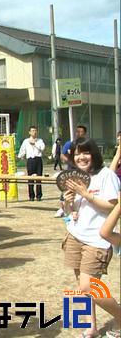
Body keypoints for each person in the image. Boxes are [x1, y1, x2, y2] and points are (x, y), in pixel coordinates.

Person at [63, 138, 120, 338]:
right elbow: (71, 211)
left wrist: (85, 194)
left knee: (89, 286)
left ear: (94, 154)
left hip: (97, 240)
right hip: (76, 235)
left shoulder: (106, 176)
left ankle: (120, 317)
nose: (81, 157)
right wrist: (67, 203)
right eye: (77, 153)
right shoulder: (75, 177)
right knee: (83, 288)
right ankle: (92, 328)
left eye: (85, 153)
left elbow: (113, 207)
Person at [17, 125, 45, 201]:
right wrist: (20, 157)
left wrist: (35, 144)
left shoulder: (40, 140)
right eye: (32, 131)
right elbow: (22, 151)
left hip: (38, 159)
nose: (34, 132)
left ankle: (39, 196)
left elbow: (42, 148)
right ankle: (31, 196)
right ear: (29, 132)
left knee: (39, 178)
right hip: (30, 160)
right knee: (30, 178)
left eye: (35, 131)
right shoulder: (26, 141)